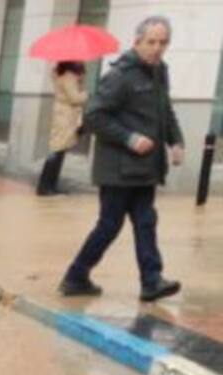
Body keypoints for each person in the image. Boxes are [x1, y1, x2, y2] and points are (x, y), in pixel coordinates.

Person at [59, 16, 184, 303]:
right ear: (137, 42)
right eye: (151, 42)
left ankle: (152, 281)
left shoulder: (159, 72)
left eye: (163, 42)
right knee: (109, 225)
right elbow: (93, 116)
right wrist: (130, 138)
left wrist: (175, 141)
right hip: (117, 168)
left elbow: (166, 111)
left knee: (145, 221)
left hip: (145, 168)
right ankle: (76, 276)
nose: (157, 48)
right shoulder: (120, 75)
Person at [37, 61, 87, 196]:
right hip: (66, 117)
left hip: (61, 114)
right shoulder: (69, 77)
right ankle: (46, 187)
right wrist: (85, 93)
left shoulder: (58, 73)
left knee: (57, 150)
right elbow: (75, 99)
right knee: (57, 151)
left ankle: (48, 186)